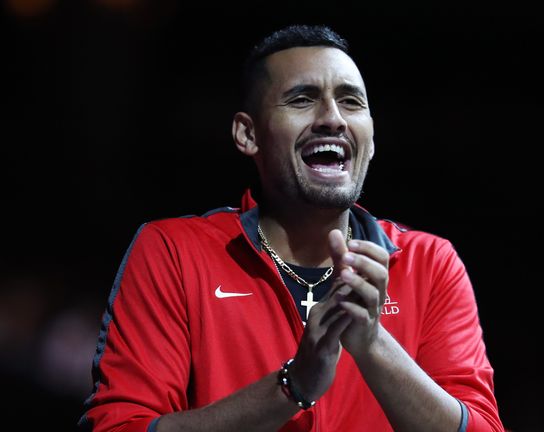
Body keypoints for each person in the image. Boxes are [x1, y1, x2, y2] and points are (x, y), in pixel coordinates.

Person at [79, 24, 503, 432]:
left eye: (351, 102)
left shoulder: (429, 264)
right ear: (248, 134)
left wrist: (374, 345)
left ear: (371, 141)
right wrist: (292, 386)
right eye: (303, 99)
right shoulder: (174, 253)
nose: (333, 119)